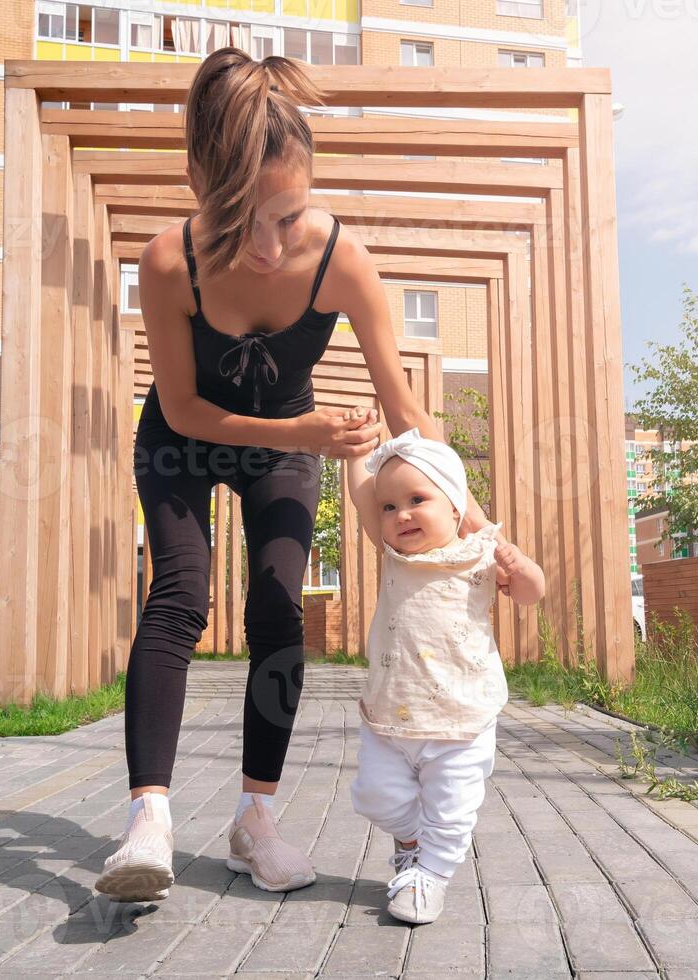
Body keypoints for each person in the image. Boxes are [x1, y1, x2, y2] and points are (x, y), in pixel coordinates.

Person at [96, 48, 494, 902]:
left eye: (291, 216)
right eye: (249, 222)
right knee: (180, 595)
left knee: (278, 607)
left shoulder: (341, 259)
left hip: (284, 444)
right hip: (183, 438)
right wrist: (307, 428)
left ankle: (255, 820)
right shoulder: (168, 263)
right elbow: (186, 409)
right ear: (202, 185)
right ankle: (148, 821)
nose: (274, 247)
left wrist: (481, 525)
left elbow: (404, 405)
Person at [344, 428, 545, 924]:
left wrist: (519, 566)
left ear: (455, 507)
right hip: (390, 712)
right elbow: (360, 495)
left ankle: (429, 875)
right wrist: (353, 455)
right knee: (373, 795)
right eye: (390, 507)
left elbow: (530, 593)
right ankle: (414, 841)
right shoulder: (395, 554)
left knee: (452, 811)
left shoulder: (480, 552)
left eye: (417, 499)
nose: (400, 514)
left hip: (461, 717)